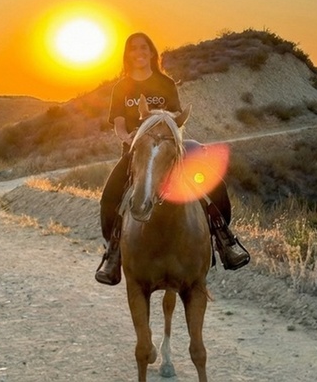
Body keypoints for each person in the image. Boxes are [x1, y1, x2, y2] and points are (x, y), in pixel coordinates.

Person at [95, 32, 250, 286]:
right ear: (127, 55)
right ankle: (113, 253)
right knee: (110, 195)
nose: (138, 52)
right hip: (137, 152)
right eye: (133, 48)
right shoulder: (121, 87)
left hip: (168, 148)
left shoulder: (165, 83)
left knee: (212, 182)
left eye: (143, 47)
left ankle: (224, 239)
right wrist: (129, 138)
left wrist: (169, 136)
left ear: (151, 52)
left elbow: (177, 118)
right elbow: (119, 126)